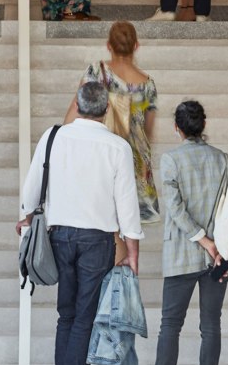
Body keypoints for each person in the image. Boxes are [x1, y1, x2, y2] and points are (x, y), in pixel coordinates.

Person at [17, 80, 143, 365]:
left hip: (59, 235)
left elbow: (33, 184)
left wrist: (26, 217)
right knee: (85, 314)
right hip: (96, 240)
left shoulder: (53, 136)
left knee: (66, 314)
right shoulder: (117, 147)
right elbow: (127, 203)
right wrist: (132, 250)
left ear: (77, 103)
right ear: (105, 109)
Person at [136, 100, 228, 365]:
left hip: (183, 253)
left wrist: (203, 241)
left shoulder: (171, 160)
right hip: (220, 257)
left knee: (170, 324)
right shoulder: (225, 160)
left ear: (177, 128)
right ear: (203, 126)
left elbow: (175, 208)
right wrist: (219, 246)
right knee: (211, 325)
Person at [64, 21, 159, 225]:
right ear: (136, 46)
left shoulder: (96, 71)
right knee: (131, 225)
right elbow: (148, 130)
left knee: (106, 220)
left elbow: (74, 110)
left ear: (109, 45)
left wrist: (65, 142)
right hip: (135, 161)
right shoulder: (148, 84)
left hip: (102, 155)